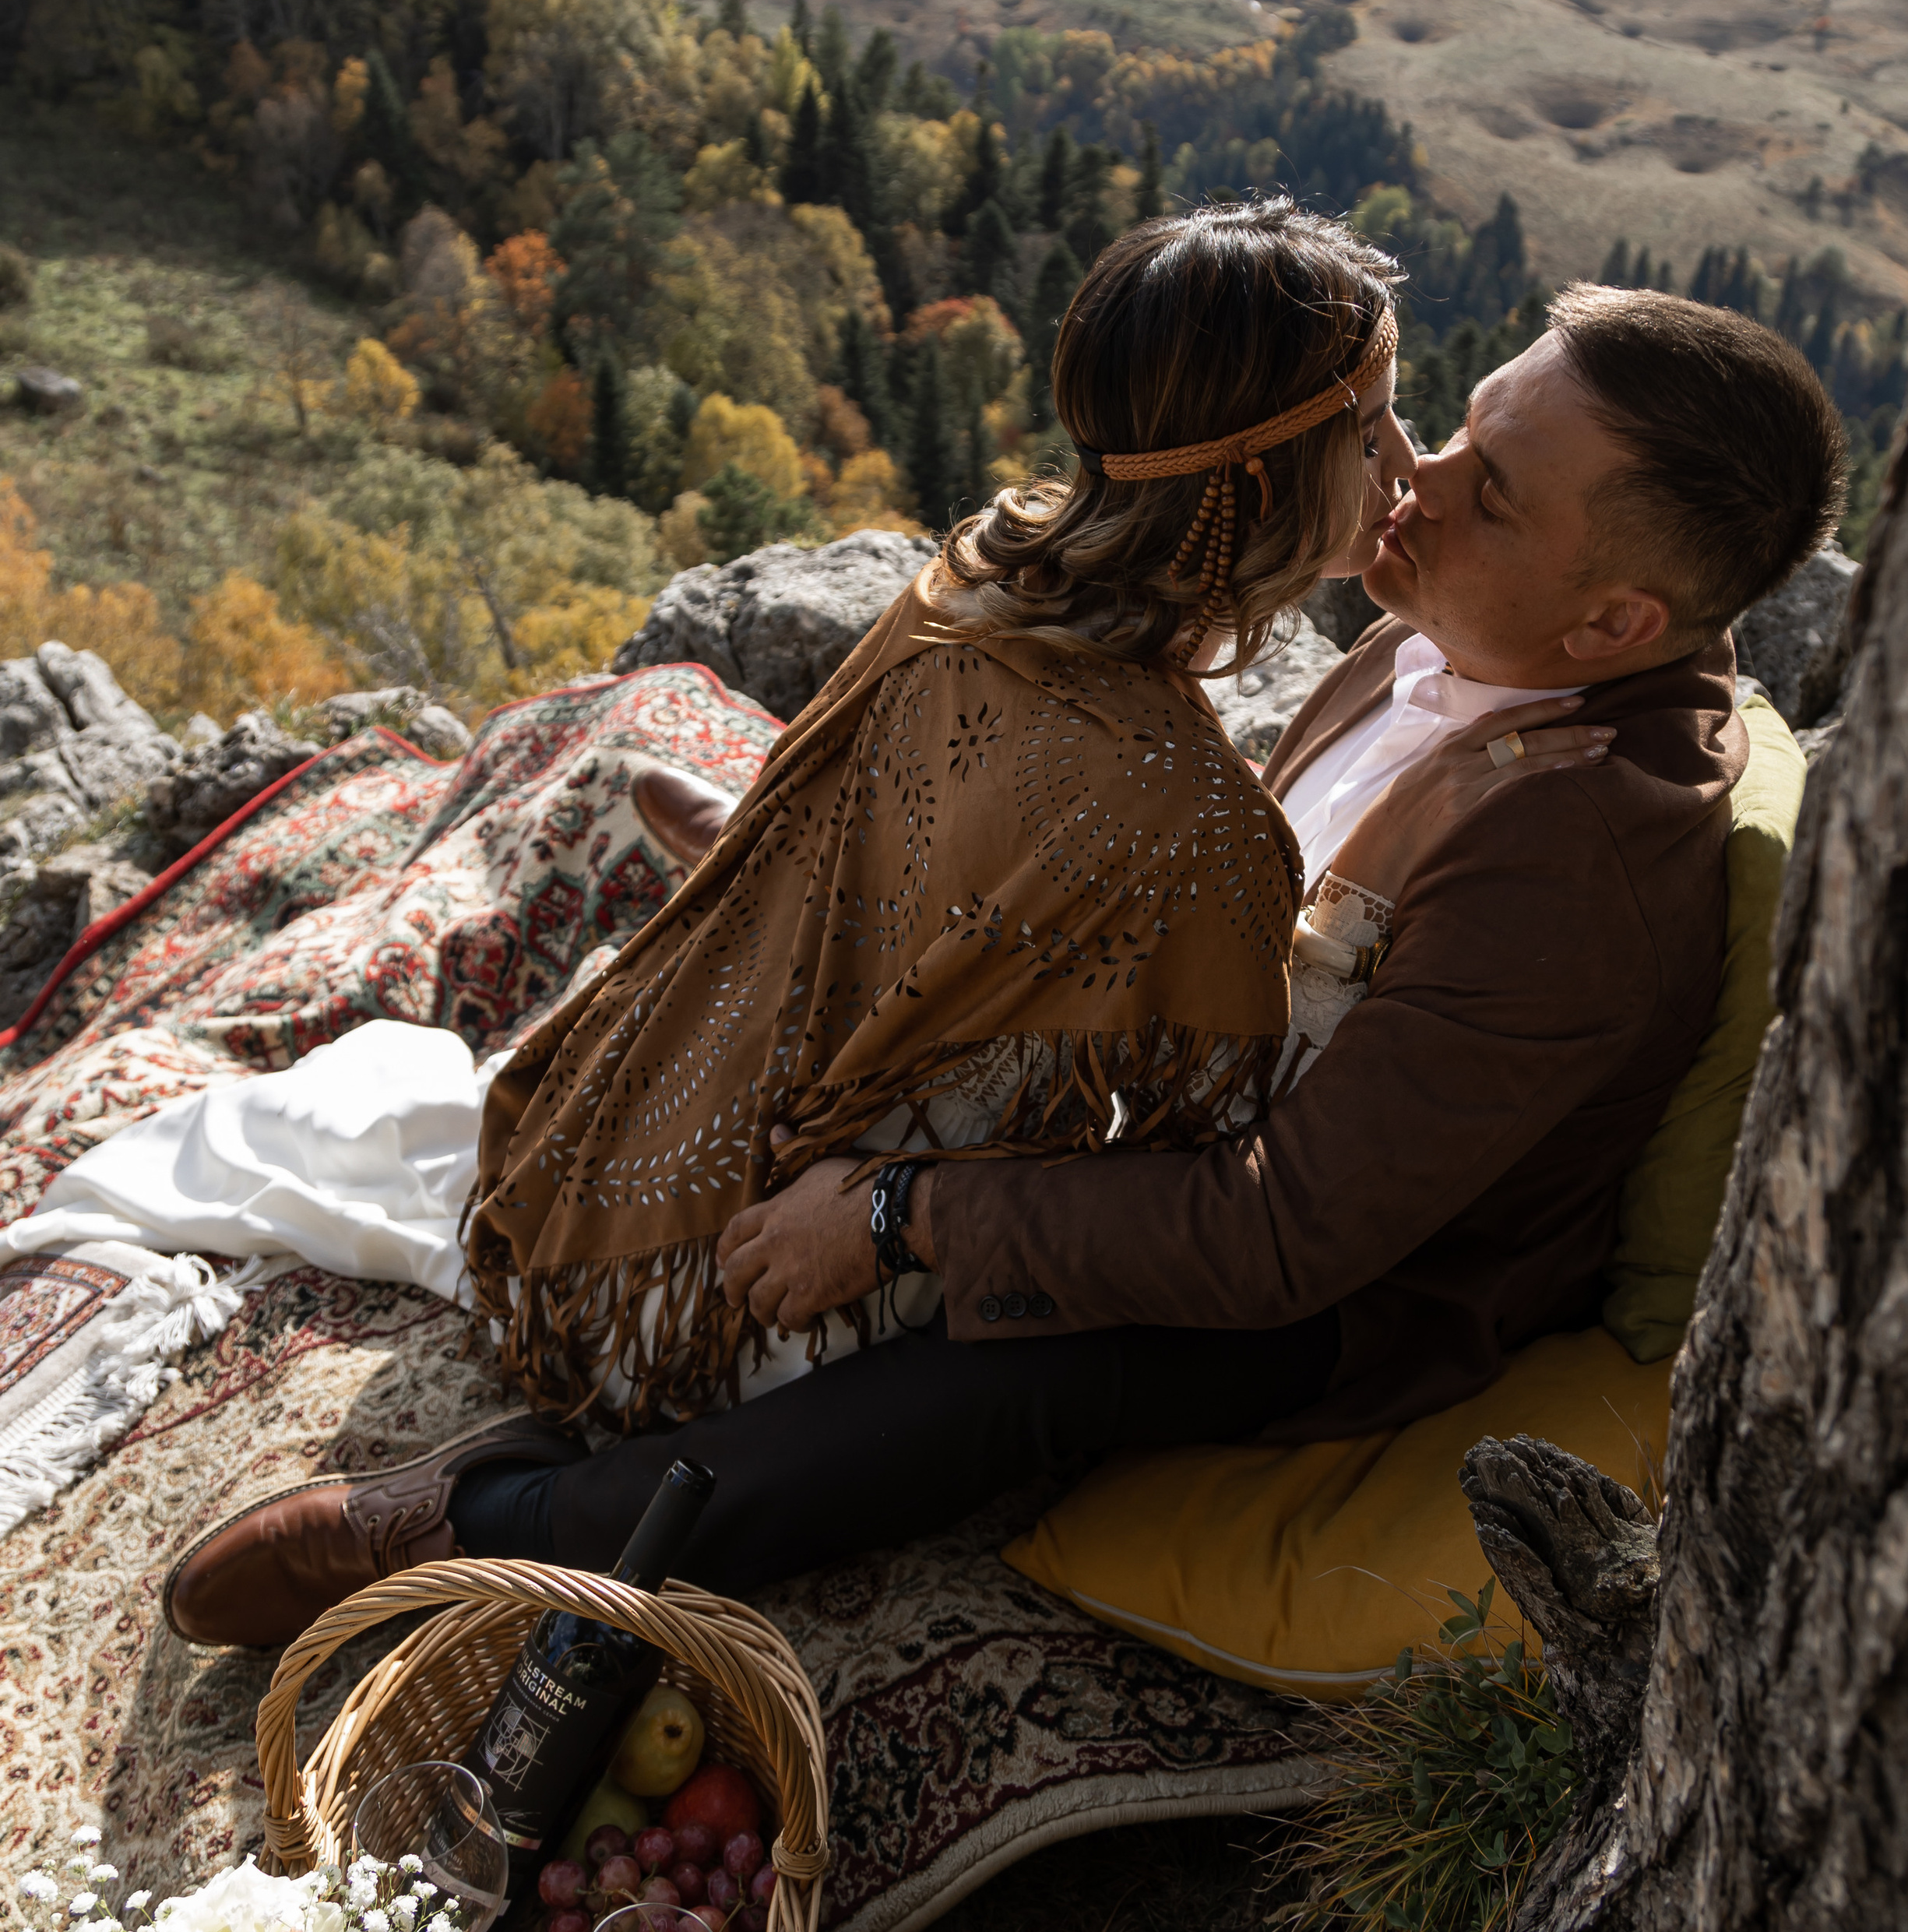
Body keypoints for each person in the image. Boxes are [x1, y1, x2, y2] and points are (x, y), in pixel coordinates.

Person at [164, 202, 1610, 1646]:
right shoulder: (1197, 821)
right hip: (754, 1294)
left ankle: (498, 1515)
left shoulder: (980, 577)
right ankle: (519, 1521)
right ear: (1266, 476)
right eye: (1378, 428)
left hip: (626, 1211)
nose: (1411, 468)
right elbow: (1177, 1156)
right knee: (1037, 1341)